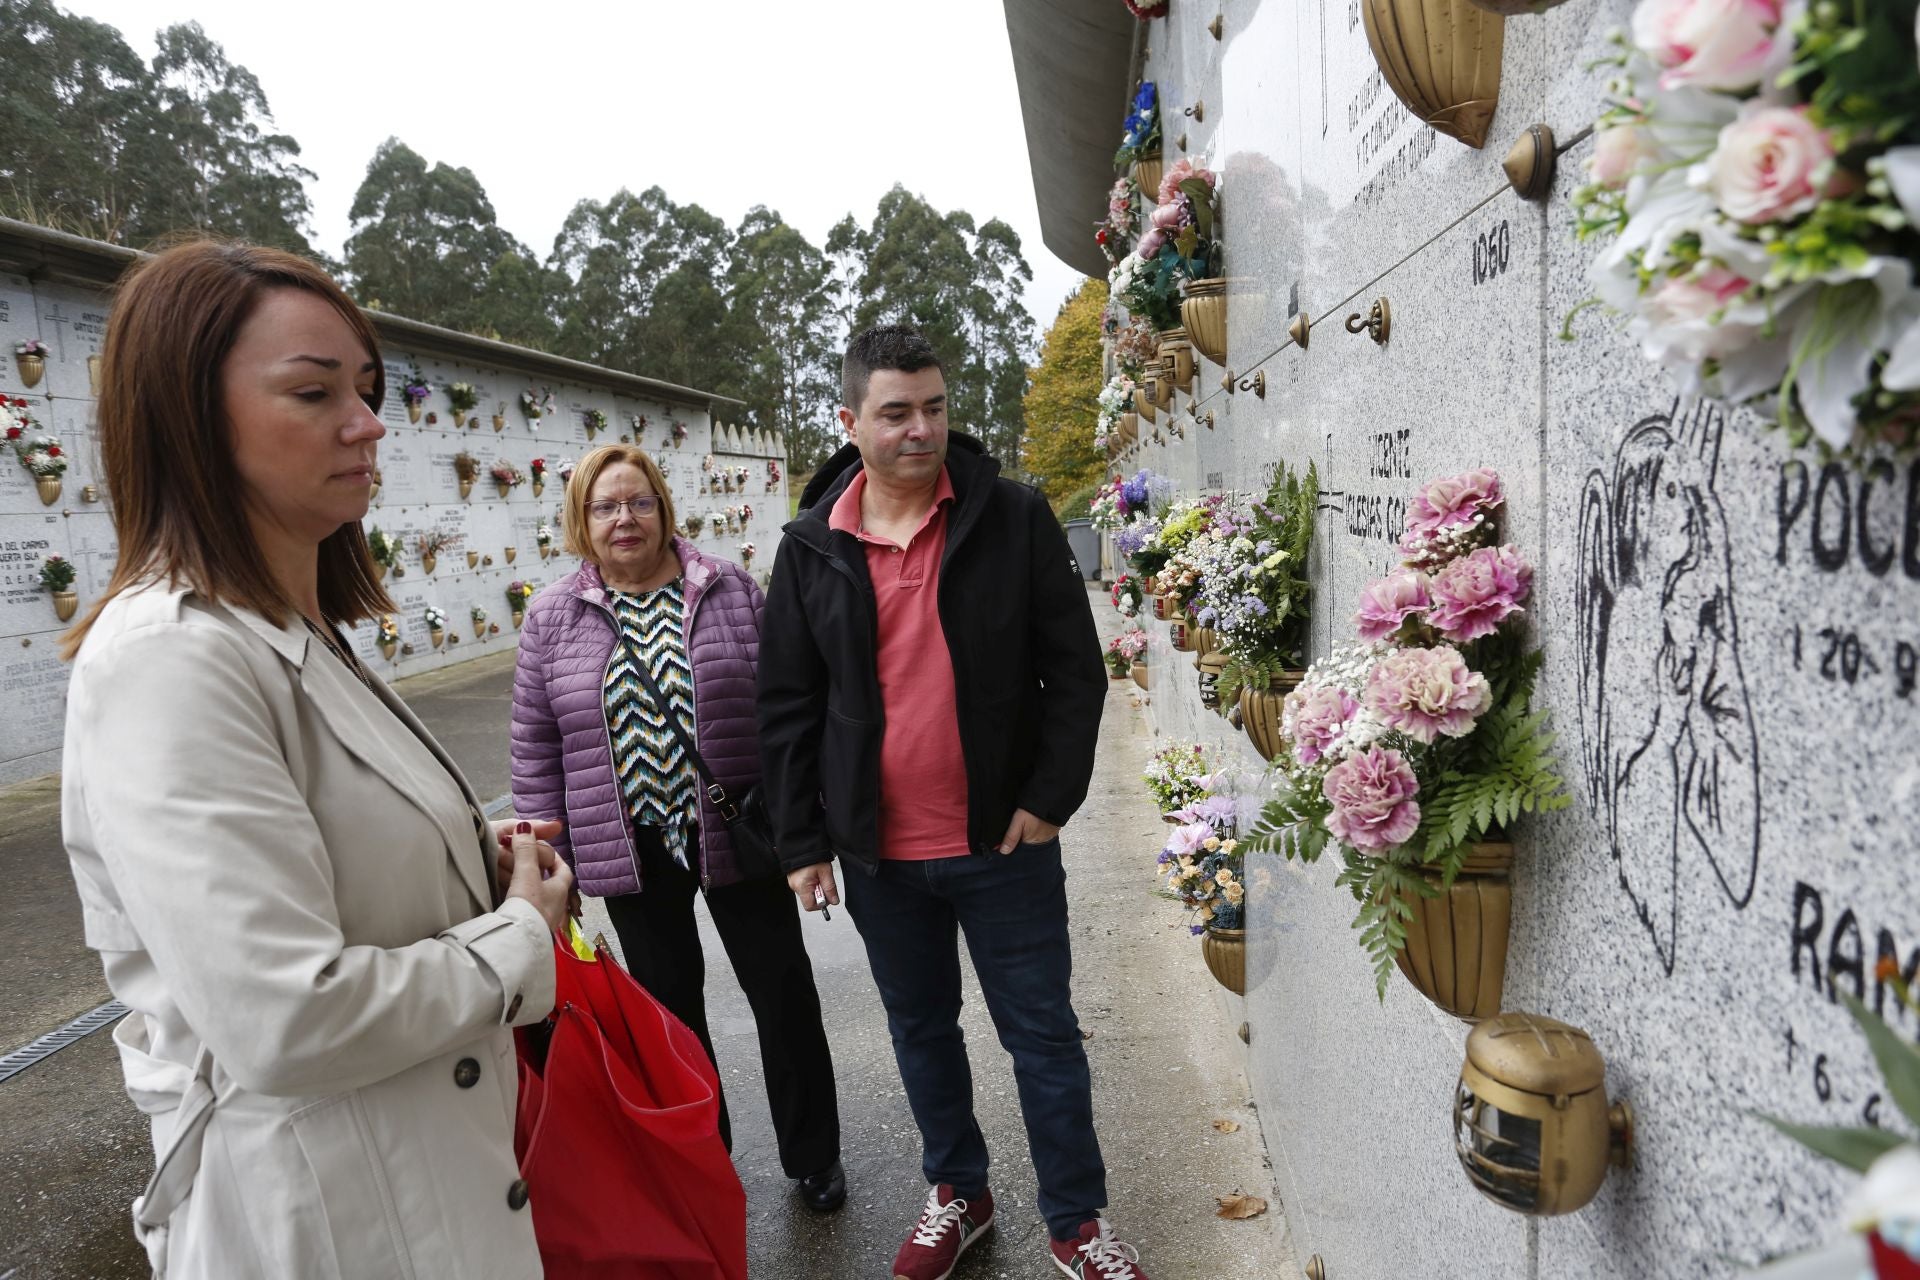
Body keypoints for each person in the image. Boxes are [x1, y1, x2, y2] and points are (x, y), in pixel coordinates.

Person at [58, 241, 573, 1279]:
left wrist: (475, 852)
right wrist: (521, 939)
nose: (370, 422)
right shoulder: (169, 654)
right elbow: (286, 1015)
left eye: (370, 389)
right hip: (329, 1224)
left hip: (424, 1193)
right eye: (314, 390)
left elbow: (335, 851)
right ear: (188, 416)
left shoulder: (294, 633)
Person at [758, 325, 1153, 1279]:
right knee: (921, 1030)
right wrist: (803, 844)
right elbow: (785, 705)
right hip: (880, 855)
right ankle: (960, 1194)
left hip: (1003, 845)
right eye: (895, 413)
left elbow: (1075, 669)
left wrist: (1050, 799)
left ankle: (1077, 1221)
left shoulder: (1011, 517)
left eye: (933, 407)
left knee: (1044, 1036)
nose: (920, 429)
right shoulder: (811, 548)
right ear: (850, 421)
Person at [509, 442, 845, 1212]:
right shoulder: (553, 616)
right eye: (605, 506)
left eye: (638, 502)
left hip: (736, 831)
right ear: (580, 520)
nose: (624, 518)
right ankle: (705, 1160)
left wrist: (806, 833)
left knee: (783, 994)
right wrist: (546, 866)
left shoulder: (727, 589)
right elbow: (535, 748)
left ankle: (814, 1154)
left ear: (664, 508)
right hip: (627, 845)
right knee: (670, 1016)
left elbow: (786, 712)